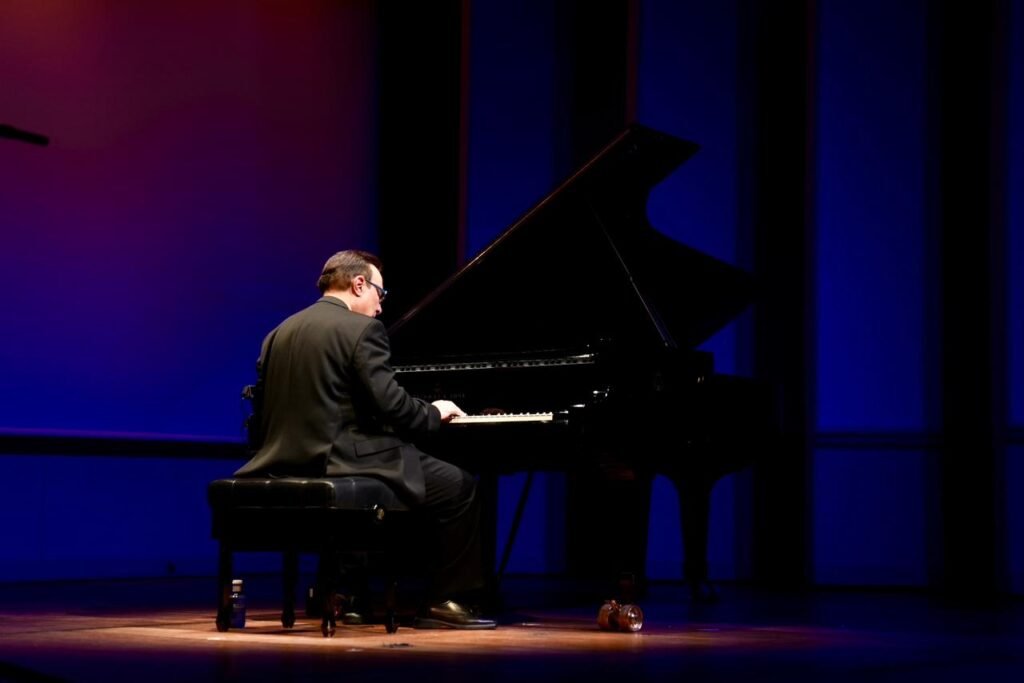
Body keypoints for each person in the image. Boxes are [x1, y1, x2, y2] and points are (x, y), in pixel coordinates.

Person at [235, 249, 495, 630]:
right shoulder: (362, 330)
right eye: (380, 293)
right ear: (359, 284)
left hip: (282, 462)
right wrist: (433, 412)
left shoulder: (278, 333)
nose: (380, 307)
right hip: (342, 460)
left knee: (393, 480)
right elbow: (393, 406)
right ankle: (444, 600)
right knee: (458, 487)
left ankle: (351, 595)